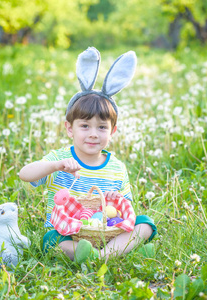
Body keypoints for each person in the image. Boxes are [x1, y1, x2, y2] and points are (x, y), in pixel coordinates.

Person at [19, 47, 157, 263]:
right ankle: (116, 253)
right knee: (51, 239)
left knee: (145, 224)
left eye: (102, 127)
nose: (93, 134)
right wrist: (56, 166)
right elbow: (24, 174)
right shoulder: (60, 158)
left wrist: (118, 221)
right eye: (85, 126)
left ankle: (100, 255)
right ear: (69, 128)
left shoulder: (117, 167)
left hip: (108, 230)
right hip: (69, 233)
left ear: (112, 131)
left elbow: (125, 210)